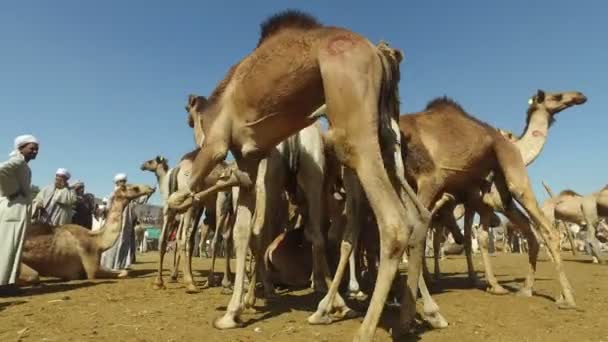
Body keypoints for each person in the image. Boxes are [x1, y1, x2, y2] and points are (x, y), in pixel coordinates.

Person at [0, 134, 39, 295]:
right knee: (7, 247)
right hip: (13, 210)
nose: (35, 151)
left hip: (17, 211)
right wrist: (13, 191)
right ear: (21, 148)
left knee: (13, 247)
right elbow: (1, 170)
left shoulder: (23, 164)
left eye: (36, 149)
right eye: (31, 148)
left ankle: (8, 283)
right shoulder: (17, 161)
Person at [101, 173, 141, 271]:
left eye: (124, 181)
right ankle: (109, 265)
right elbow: (108, 207)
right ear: (117, 183)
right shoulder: (113, 194)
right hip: (116, 222)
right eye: (121, 182)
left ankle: (121, 265)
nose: (123, 183)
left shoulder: (129, 194)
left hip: (126, 223)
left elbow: (138, 201)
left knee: (124, 243)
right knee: (114, 243)